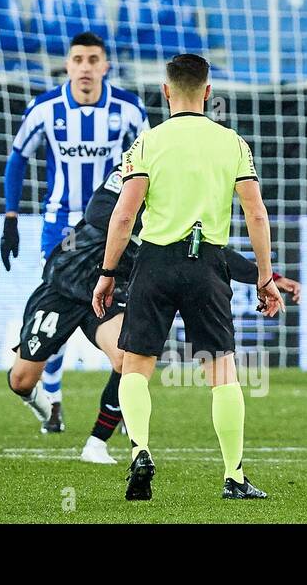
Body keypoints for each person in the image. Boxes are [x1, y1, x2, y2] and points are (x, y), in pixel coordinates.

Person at [8, 168, 300, 463]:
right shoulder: (136, 167)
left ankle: (96, 443)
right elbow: (98, 212)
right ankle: (46, 409)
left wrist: (270, 277)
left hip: (110, 292)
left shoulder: (184, 208)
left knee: (126, 356)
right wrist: (148, 223)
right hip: (65, 284)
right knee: (21, 380)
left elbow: (219, 254)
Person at [93, 54, 283, 501]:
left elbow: (123, 216)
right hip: (208, 264)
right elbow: (256, 213)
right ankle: (233, 476)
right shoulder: (233, 143)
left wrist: (106, 273)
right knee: (222, 371)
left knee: (136, 368)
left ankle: (140, 450)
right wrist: (264, 277)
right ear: (209, 93)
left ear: (165, 91)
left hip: (154, 262)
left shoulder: (147, 144)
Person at [1, 32, 148, 433]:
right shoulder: (45, 108)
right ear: (68, 65)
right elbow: (17, 159)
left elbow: (151, 167)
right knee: (62, 309)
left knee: (113, 311)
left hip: (113, 232)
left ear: (105, 66)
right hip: (61, 230)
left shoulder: (129, 110)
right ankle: (55, 402)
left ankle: (112, 404)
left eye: (93, 59)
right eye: (78, 59)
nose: (85, 67)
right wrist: (10, 218)